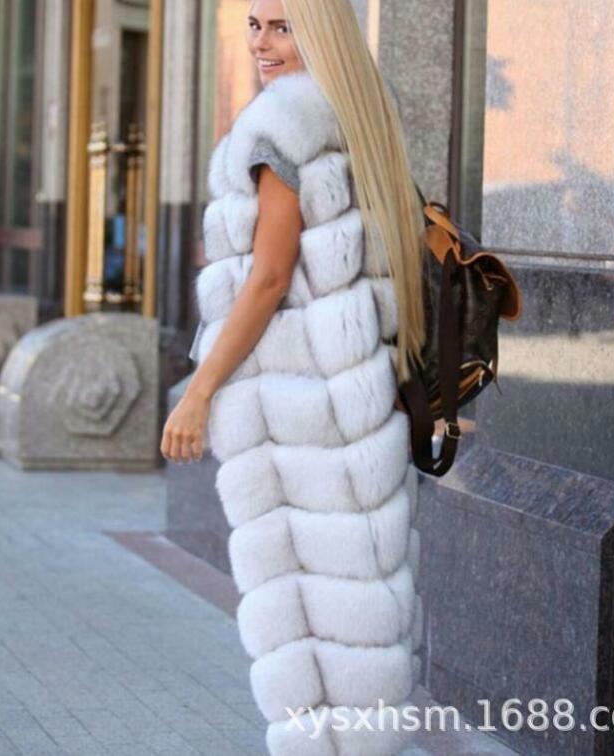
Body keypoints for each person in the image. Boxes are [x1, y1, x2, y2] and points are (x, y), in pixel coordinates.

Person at [160, 1, 426, 753]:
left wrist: (199, 392)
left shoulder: (280, 126)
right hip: (357, 403)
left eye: (282, 26)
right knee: (362, 610)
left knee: (305, 625)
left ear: (321, 30)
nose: (262, 43)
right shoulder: (363, 111)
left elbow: (270, 278)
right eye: (254, 24)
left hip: (292, 412)